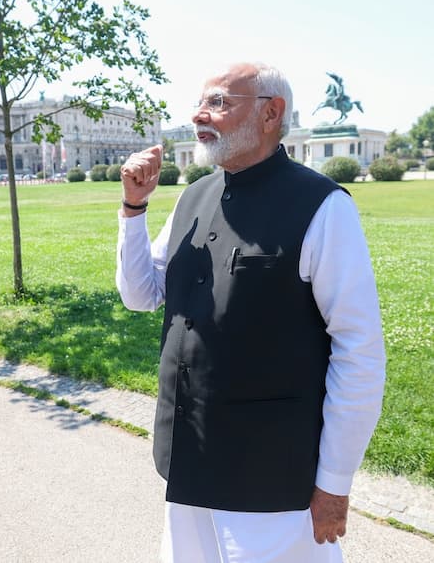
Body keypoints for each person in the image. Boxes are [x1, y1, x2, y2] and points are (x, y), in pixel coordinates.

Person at [115, 62, 385, 562]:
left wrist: (334, 482)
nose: (200, 114)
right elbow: (140, 294)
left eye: (218, 102)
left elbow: (359, 350)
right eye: (199, 102)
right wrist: (133, 209)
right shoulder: (192, 197)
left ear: (270, 113)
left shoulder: (322, 207)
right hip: (187, 456)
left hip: (271, 474)